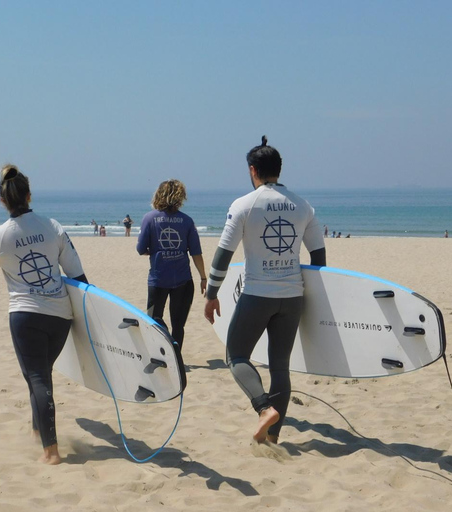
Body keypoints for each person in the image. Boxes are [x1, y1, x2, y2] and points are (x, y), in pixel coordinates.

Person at [204, 136, 326, 445]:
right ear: (279, 170)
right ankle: (272, 438)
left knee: (236, 356)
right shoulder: (303, 206)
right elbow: (319, 257)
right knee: (280, 366)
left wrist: (211, 294)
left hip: (258, 294)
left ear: (253, 170)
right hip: (293, 297)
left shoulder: (244, 205)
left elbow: (223, 254)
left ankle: (263, 409)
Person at [0, 164, 88, 465]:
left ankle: (50, 452)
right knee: (41, 375)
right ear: (28, 195)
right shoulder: (52, 226)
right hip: (61, 316)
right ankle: (38, 432)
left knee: (37, 377)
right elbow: (78, 274)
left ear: (2, 201)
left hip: (25, 315)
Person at [137, 179, 206, 350]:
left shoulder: (149, 218)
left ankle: (163, 350)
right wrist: (203, 277)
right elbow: (196, 252)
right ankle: (176, 355)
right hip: (183, 279)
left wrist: (155, 250)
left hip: (158, 279)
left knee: (154, 319)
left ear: (158, 195)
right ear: (180, 197)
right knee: (178, 325)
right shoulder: (187, 221)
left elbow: (140, 248)